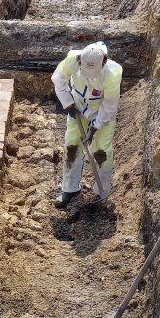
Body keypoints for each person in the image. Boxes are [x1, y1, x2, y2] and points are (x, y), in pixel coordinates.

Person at [51, 41, 123, 208]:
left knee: (101, 151)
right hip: (78, 107)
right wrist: (68, 104)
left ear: (104, 62)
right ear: (80, 61)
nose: (90, 75)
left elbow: (110, 105)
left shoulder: (112, 74)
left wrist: (95, 127)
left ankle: (102, 191)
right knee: (72, 147)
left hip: (102, 112)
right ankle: (69, 189)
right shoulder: (73, 60)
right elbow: (59, 79)